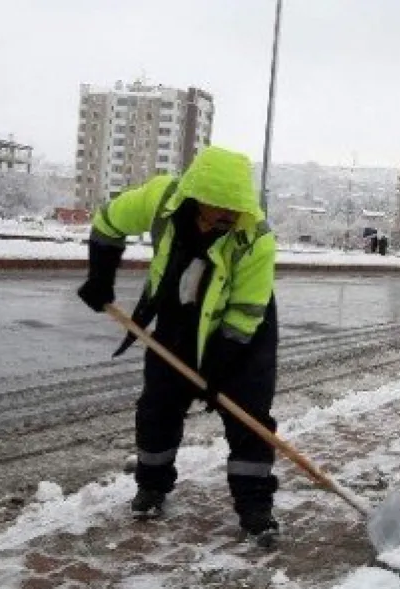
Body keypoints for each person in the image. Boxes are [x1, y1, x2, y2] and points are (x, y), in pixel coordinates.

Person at [76, 146, 281, 546]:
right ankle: (151, 487)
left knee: (248, 417)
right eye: (219, 211)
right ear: (196, 198)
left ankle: (256, 508)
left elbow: (244, 315)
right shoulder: (161, 201)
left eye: (234, 211)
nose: (228, 219)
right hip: (178, 318)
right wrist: (101, 277)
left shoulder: (256, 237)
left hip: (242, 330)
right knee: (158, 406)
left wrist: (216, 374)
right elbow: (108, 221)